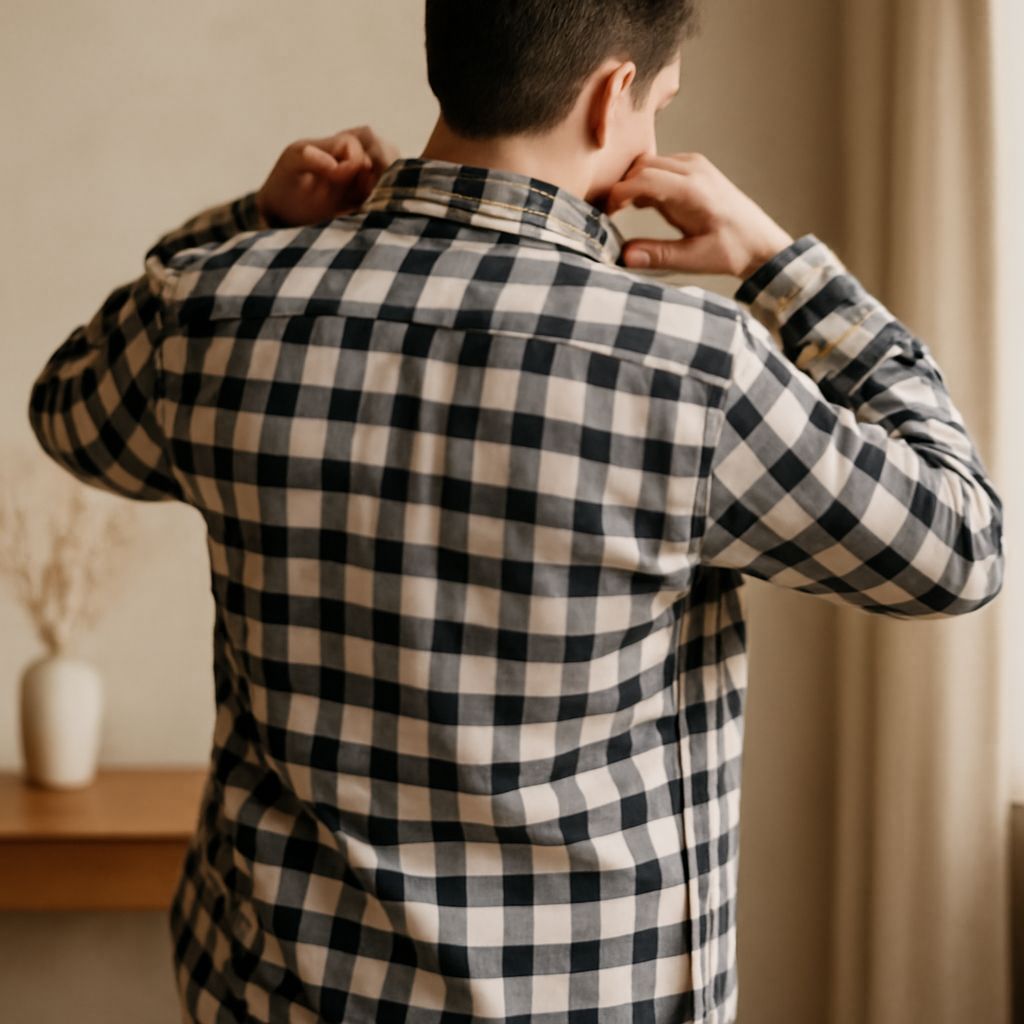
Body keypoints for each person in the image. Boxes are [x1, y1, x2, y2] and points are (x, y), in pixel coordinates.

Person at [26, 1, 1004, 1021]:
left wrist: (253, 225)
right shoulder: (691, 365)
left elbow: (68, 410)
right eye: (655, 106)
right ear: (609, 93)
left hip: (275, 992)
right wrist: (778, 267)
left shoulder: (216, 308)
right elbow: (961, 547)